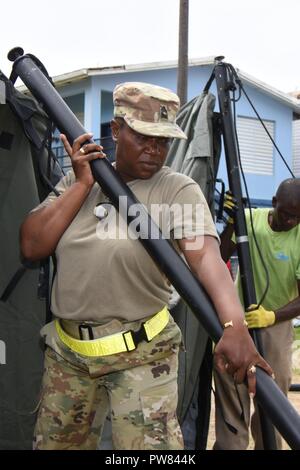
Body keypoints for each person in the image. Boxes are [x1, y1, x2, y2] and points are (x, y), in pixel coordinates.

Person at [20, 82, 272, 450]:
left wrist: (233, 324)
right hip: (69, 356)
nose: (155, 150)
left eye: (163, 141)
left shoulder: (176, 189)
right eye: (144, 137)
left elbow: (204, 256)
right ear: (117, 130)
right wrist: (81, 184)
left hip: (142, 355)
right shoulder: (78, 181)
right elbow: (31, 246)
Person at [214, 180, 300, 450]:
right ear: (274, 202)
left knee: (272, 400)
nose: (291, 220)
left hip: (276, 325)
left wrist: (271, 317)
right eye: (286, 213)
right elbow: (219, 257)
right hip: (236, 322)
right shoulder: (249, 220)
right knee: (232, 394)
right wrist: (231, 221)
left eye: (298, 216)